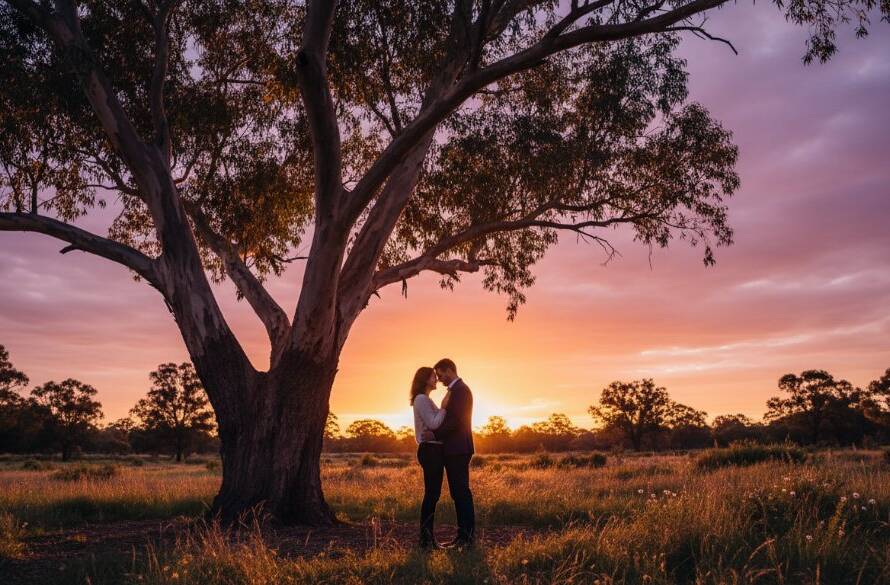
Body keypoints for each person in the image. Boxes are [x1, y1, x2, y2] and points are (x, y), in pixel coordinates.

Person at [422, 358, 475, 548]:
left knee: (461, 493)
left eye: (441, 374)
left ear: (450, 370)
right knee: (458, 494)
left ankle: (467, 539)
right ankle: (463, 537)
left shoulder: (461, 391)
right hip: (454, 448)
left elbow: (457, 422)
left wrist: (434, 433)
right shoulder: (455, 391)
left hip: (458, 449)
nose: (439, 378)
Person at [410, 366, 452, 549]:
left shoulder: (425, 400)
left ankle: (426, 539)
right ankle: (425, 540)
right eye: (433, 376)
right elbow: (434, 423)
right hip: (429, 451)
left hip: (433, 450)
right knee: (431, 495)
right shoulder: (421, 399)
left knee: (432, 495)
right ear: (425, 379)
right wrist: (444, 408)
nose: (436, 379)